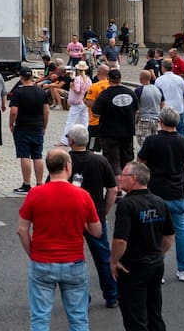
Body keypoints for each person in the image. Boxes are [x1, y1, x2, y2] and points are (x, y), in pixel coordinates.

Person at [16, 148, 102, 331]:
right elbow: (97, 231)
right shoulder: (83, 196)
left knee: (40, 319)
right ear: (68, 167)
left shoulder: (35, 194)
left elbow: (22, 230)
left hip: (42, 261)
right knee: (78, 319)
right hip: (74, 262)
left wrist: (33, 253)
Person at [111, 161, 174, 331]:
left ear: (134, 179)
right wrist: (157, 254)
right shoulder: (159, 202)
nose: (120, 179)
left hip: (133, 267)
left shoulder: (126, 204)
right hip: (155, 264)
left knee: (135, 318)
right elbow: (169, 235)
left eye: (123, 175)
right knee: (154, 312)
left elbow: (120, 241)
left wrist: (113, 261)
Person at [137, 107, 184, 282]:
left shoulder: (152, 141)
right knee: (181, 232)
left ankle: (157, 269)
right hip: (177, 192)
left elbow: (141, 161)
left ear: (160, 122)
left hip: (155, 194)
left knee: (155, 233)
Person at [66, 124, 119, 308]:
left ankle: (82, 297)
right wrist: (104, 210)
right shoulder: (100, 161)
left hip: (70, 216)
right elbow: (113, 189)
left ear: (71, 141)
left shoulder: (65, 161)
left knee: (74, 258)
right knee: (103, 256)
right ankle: (112, 295)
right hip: (94, 214)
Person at [9, 67, 50, 194]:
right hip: (37, 126)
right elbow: (46, 110)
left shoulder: (18, 92)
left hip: (23, 127)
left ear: (21, 77)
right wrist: (44, 126)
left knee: (24, 155)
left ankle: (26, 184)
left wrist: (11, 124)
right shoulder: (41, 91)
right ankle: (39, 183)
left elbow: (14, 112)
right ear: (32, 77)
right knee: (37, 155)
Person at [94, 69, 137, 175]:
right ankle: (127, 183)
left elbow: (95, 113)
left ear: (109, 79)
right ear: (120, 79)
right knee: (126, 160)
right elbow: (137, 111)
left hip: (110, 133)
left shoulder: (105, 94)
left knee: (113, 162)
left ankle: (115, 187)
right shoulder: (130, 92)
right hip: (127, 132)